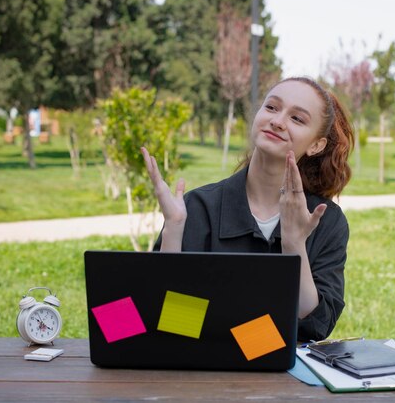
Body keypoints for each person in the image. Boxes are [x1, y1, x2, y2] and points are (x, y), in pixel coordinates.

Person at [141, 76, 354, 341]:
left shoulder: (326, 221)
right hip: (196, 373)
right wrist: (173, 231)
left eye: (297, 119)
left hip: (285, 378)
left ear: (316, 145)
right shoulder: (195, 208)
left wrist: (294, 244)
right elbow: (167, 321)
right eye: (272, 107)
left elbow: (313, 327)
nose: (277, 121)